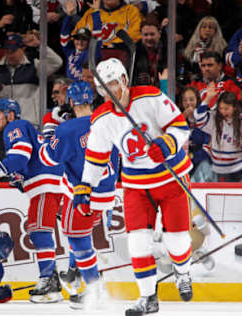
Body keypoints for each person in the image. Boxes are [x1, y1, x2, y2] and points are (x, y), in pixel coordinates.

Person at [80, 58, 193, 315]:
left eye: (113, 85)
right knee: (137, 243)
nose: (110, 92)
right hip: (136, 185)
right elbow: (96, 156)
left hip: (171, 177)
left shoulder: (151, 97)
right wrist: (85, 185)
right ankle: (147, 297)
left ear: (123, 80)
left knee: (177, 241)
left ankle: (183, 271)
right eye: (103, 89)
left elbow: (180, 127)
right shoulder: (102, 118)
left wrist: (167, 143)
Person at [38, 81, 119, 309]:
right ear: (91, 100)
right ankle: (77, 274)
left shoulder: (68, 129)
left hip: (83, 195)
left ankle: (94, 290)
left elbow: (48, 158)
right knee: (81, 235)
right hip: (107, 192)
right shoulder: (109, 122)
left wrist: (48, 136)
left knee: (77, 238)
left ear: (71, 102)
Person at [0, 98, 65, 303]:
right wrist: (18, 178)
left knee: (39, 230)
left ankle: (49, 281)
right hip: (49, 183)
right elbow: (26, 163)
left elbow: (20, 157)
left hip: (47, 185)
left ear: (11, 114)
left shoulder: (15, 126)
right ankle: (54, 277)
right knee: (37, 230)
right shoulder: (20, 129)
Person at [0, 34, 63, 126]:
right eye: (7, 51)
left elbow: (57, 63)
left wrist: (39, 46)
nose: (9, 55)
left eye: (13, 51)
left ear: (22, 49)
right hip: (1, 125)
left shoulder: (34, 66)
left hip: (29, 123)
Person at [193, 89, 242, 182]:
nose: (223, 112)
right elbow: (199, 117)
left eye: (226, 108)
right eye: (220, 108)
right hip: (219, 169)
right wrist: (208, 98)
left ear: (235, 107)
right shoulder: (215, 118)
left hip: (238, 169)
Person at [177, 86, 215, 183]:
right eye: (185, 100)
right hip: (183, 163)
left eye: (191, 99)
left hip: (202, 162)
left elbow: (208, 148)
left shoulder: (205, 117)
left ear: (198, 100)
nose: (188, 103)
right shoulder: (178, 118)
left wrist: (191, 156)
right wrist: (181, 119)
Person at [60, 0, 102, 82]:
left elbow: (97, 35)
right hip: (70, 88)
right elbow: (64, 38)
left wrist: (96, 12)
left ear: (89, 41)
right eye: (77, 38)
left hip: (85, 88)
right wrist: (68, 16)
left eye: (84, 39)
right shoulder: (70, 52)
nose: (80, 42)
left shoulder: (92, 53)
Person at [73, 0, 142, 49]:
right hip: (92, 56)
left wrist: (114, 46)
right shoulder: (91, 12)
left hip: (121, 54)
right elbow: (75, 35)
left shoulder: (131, 11)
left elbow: (135, 36)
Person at [183, 16, 227, 80]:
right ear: (199, 29)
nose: (207, 30)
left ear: (216, 30)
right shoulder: (192, 46)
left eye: (210, 27)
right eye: (204, 27)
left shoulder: (222, 47)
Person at [133, 19, 167, 87]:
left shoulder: (167, 49)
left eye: (152, 34)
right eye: (145, 35)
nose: (149, 38)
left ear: (159, 34)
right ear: (141, 35)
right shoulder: (134, 51)